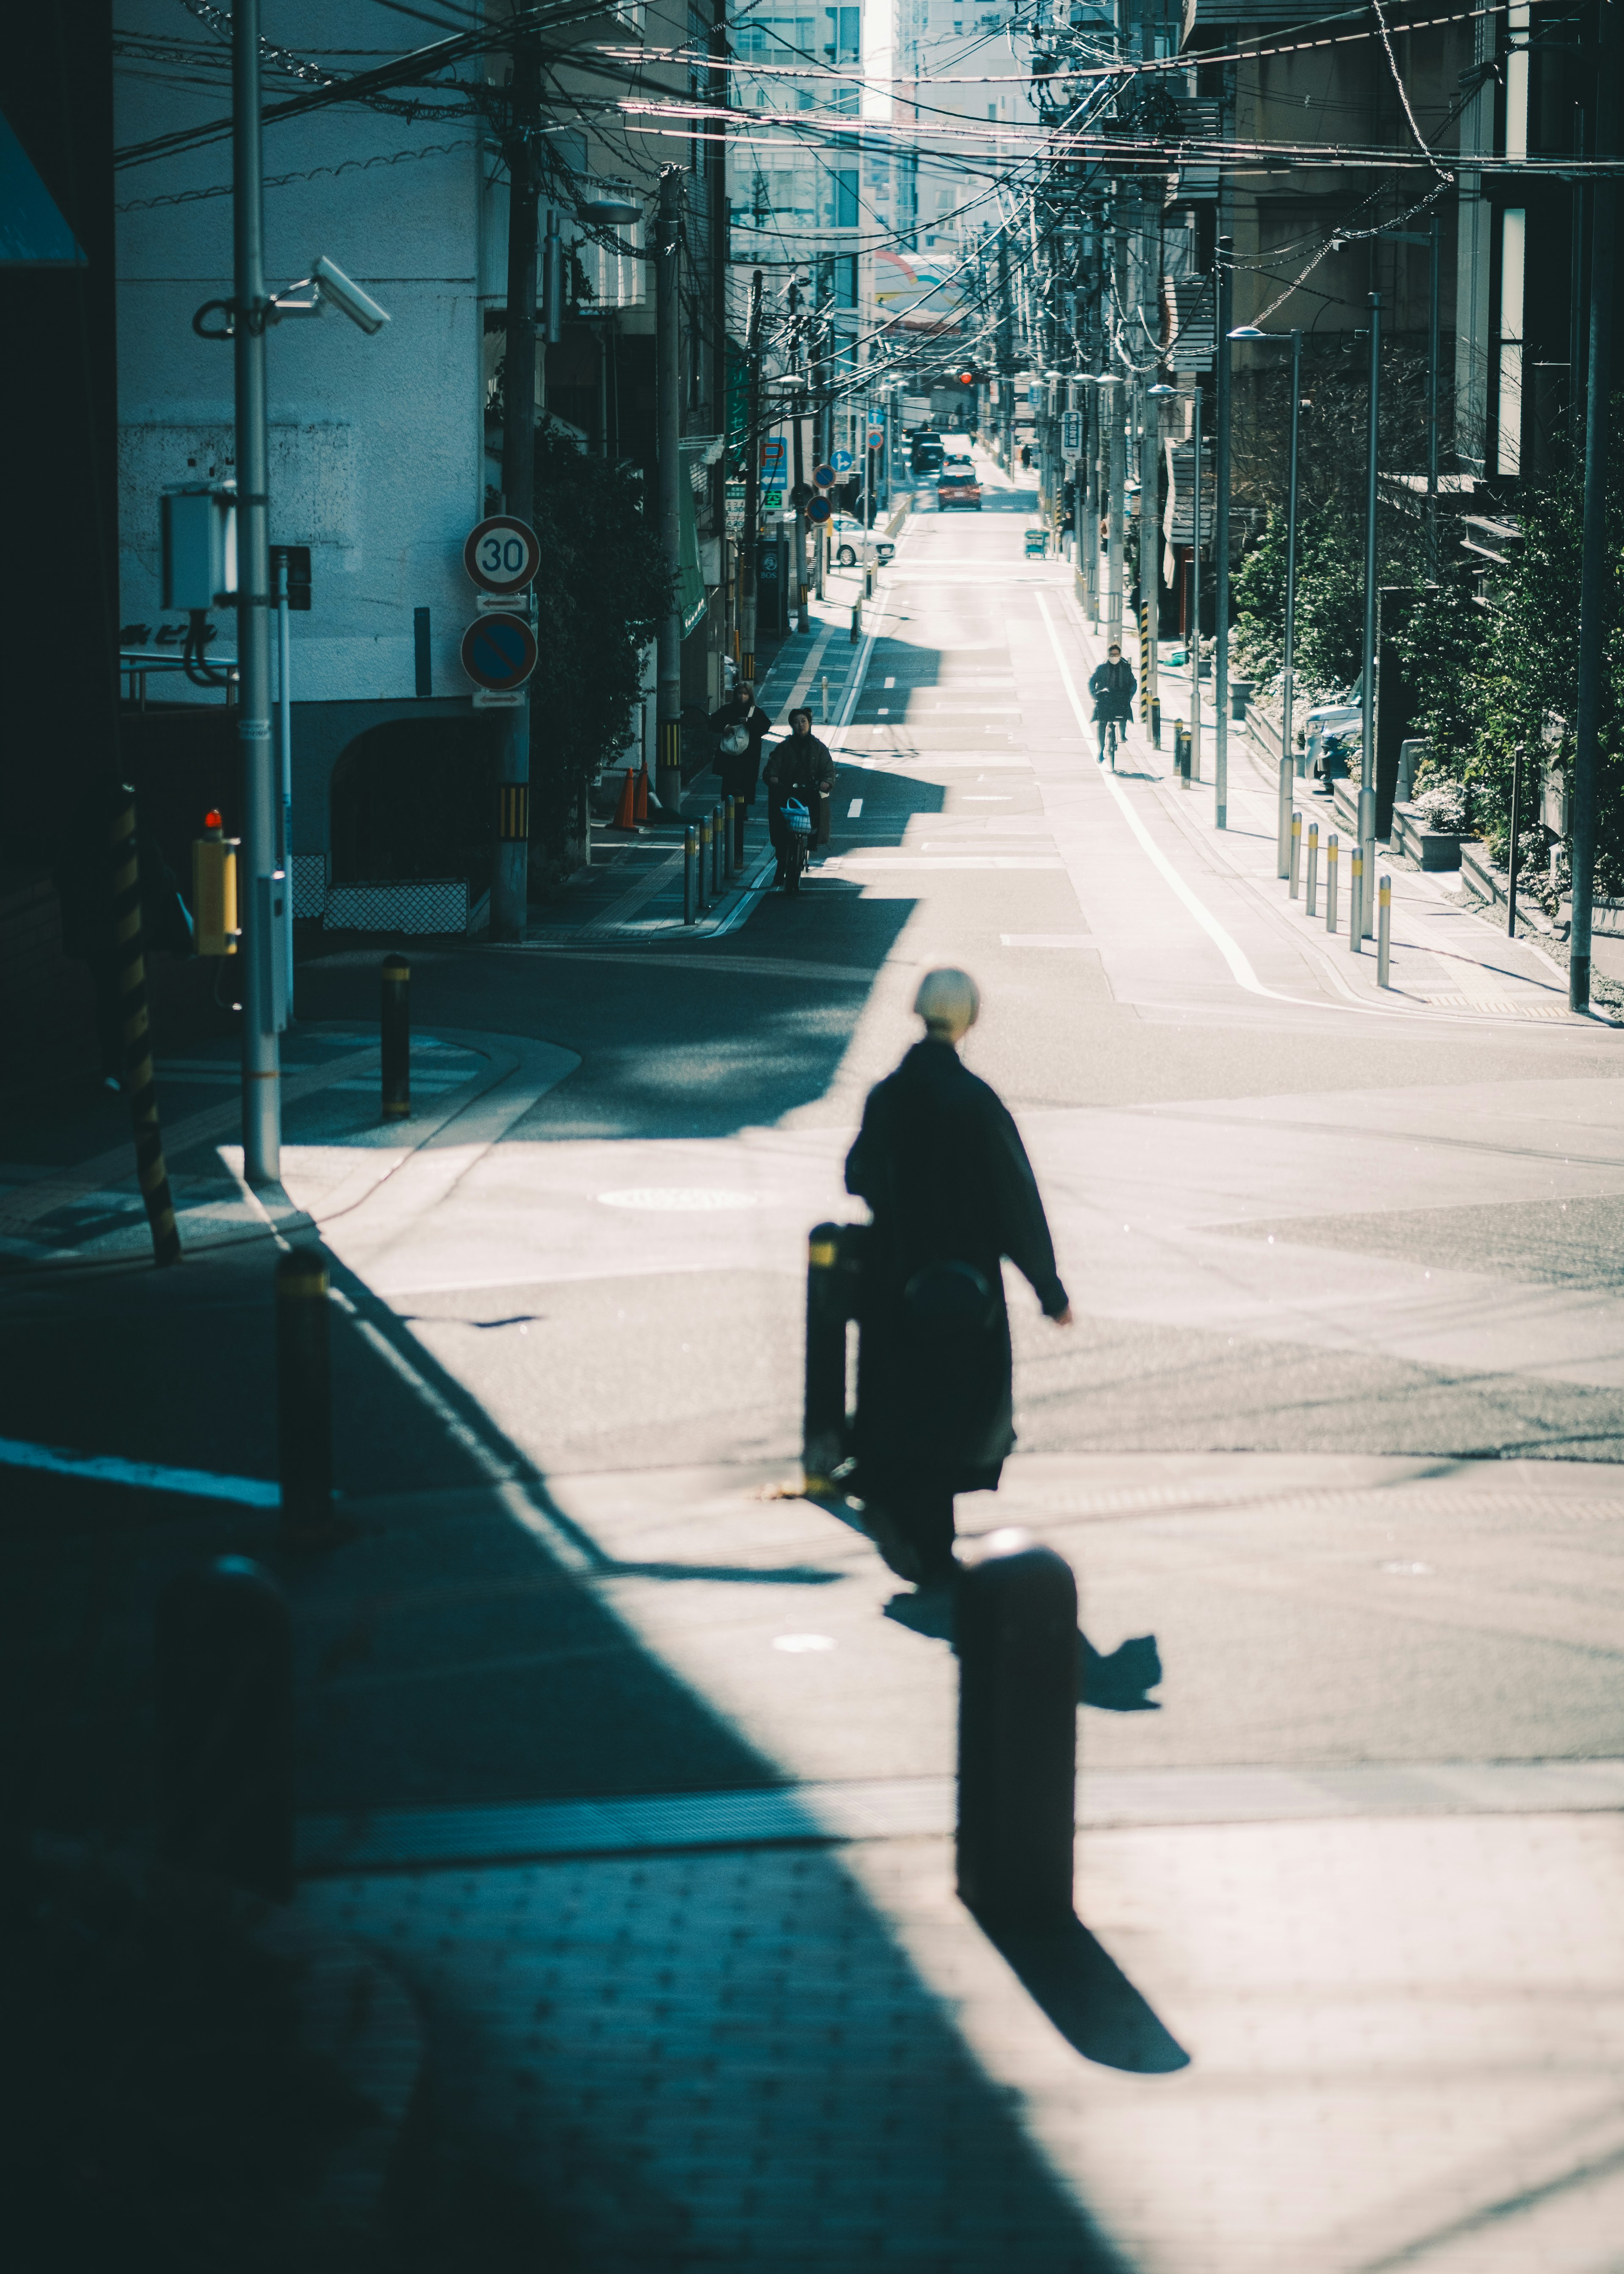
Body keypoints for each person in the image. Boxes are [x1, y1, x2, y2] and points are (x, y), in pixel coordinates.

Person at [844, 967, 1072, 1590]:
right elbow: (1015, 1200)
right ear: (969, 1019)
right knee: (956, 1406)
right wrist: (1048, 1289)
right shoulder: (976, 1101)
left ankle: (911, 1523)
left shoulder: (887, 1095)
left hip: (897, 1278)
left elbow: (857, 1175)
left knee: (905, 1400)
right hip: (965, 1284)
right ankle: (934, 1549)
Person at [763, 707, 834, 889]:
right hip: (787, 793)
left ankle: (808, 846)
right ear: (791, 725)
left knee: (812, 824)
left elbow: (828, 770)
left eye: (803, 721)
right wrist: (773, 777)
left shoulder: (819, 748)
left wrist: (826, 782)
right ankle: (781, 864)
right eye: (796, 722)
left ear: (809, 723)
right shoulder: (784, 747)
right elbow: (772, 767)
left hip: (809, 793)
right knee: (781, 830)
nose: (800, 725)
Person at [707, 680, 773, 807]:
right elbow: (713, 723)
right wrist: (724, 727)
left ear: (750, 696)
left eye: (746, 694)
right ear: (735, 694)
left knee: (746, 783)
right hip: (731, 756)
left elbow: (765, 727)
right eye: (740, 693)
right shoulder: (728, 709)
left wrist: (749, 721)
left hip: (749, 755)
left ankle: (743, 810)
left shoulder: (756, 712)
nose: (742, 697)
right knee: (730, 782)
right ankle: (730, 808)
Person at [1088, 642, 1136, 764]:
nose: (1114, 657)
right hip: (1105, 699)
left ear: (1120, 655)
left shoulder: (1126, 668)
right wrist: (1095, 694)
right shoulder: (1102, 668)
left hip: (1120, 699)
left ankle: (1123, 735)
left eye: (1117, 654)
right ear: (1108, 655)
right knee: (1102, 723)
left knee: (1124, 713)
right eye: (1112, 654)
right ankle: (1101, 750)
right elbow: (1092, 681)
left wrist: (1130, 695)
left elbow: (1133, 683)